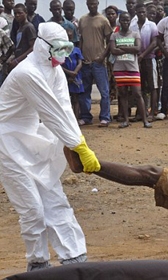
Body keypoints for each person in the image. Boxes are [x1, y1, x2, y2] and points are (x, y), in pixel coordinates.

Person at [0, 22, 100, 272]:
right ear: (42, 45)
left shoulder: (54, 71)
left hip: (32, 136)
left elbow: (65, 108)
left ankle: (75, 259)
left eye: (67, 47)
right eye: (59, 48)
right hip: (6, 140)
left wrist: (80, 144)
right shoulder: (27, 73)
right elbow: (51, 111)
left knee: (54, 197)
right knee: (31, 207)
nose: (64, 53)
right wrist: (78, 145)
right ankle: (38, 263)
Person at [109, 12, 152, 129]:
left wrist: (121, 48)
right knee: (123, 94)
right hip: (119, 69)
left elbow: (137, 49)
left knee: (138, 94)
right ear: (120, 21)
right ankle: (126, 120)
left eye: (127, 20)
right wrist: (129, 49)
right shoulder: (114, 35)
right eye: (123, 20)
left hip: (133, 68)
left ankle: (145, 120)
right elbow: (113, 51)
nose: (125, 22)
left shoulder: (135, 34)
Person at [78, 0, 113, 127]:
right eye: (89, 4)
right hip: (85, 62)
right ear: (87, 4)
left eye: (94, 4)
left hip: (99, 62)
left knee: (104, 92)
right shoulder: (82, 20)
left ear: (98, 3)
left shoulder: (103, 20)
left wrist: (103, 56)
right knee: (84, 92)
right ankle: (86, 117)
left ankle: (105, 117)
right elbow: (81, 39)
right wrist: (80, 56)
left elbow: (110, 41)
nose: (92, 6)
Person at [130, 3, 159, 122]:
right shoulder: (132, 26)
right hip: (136, 60)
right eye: (139, 12)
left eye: (143, 12)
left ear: (146, 13)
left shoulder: (152, 25)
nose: (141, 14)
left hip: (149, 59)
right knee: (139, 87)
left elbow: (154, 43)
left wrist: (143, 54)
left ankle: (152, 112)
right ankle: (140, 113)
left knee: (153, 87)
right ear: (136, 13)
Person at [62, 28, 84, 120]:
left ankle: (76, 118)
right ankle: (67, 119)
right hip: (65, 76)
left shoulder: (76, 49)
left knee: (76, 98)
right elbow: (58, 65)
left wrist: (74, 72)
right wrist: (69, 73)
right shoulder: (61, 50)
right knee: (66, 98)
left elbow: (80, 62)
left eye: (70, 37)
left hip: (76, 75)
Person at [8, 3, 36, 72]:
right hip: (19, 62)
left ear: (26, 13)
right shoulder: (19, 29)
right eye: (15, 13)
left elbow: (33, 47)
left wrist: (17, 60)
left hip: (26, 63)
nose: (17, 15)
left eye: (20, 13)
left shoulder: (29, 27)